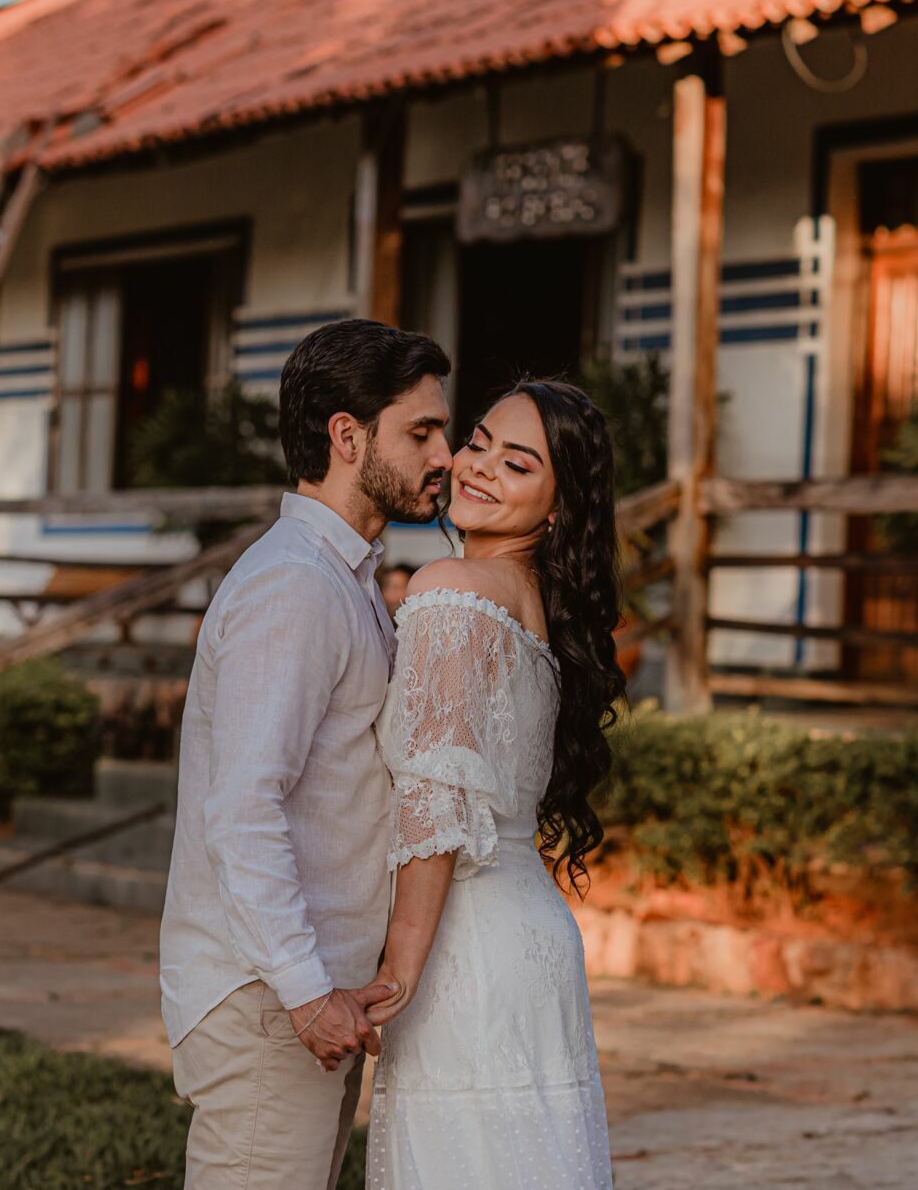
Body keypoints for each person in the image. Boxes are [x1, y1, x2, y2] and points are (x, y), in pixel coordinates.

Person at [160, 318, 452, 1190]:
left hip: (307, 990)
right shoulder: (294, 585)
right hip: (270, 998)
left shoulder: (341, 577)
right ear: (347, 436)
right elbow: (242, 810)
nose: (445, 456)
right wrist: (304, 990)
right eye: (422, 432)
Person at [363, 379, 623, 1189]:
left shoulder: (454, 589)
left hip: (463, 944)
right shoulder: (536, 606)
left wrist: (400, 964)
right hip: (532, 938)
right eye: (478, 443)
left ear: (558, 509)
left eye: (517, 464)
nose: (477, 467)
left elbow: (436, 798)